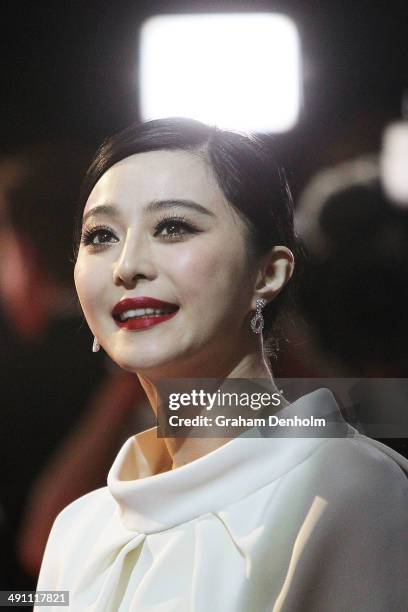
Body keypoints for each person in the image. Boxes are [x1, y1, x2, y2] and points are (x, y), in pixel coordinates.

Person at [35, 118, 408, 611]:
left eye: (172, 227)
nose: (127, 265)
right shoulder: (79, 530)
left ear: (268, 273)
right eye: (101, 235)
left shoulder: (346, 488)